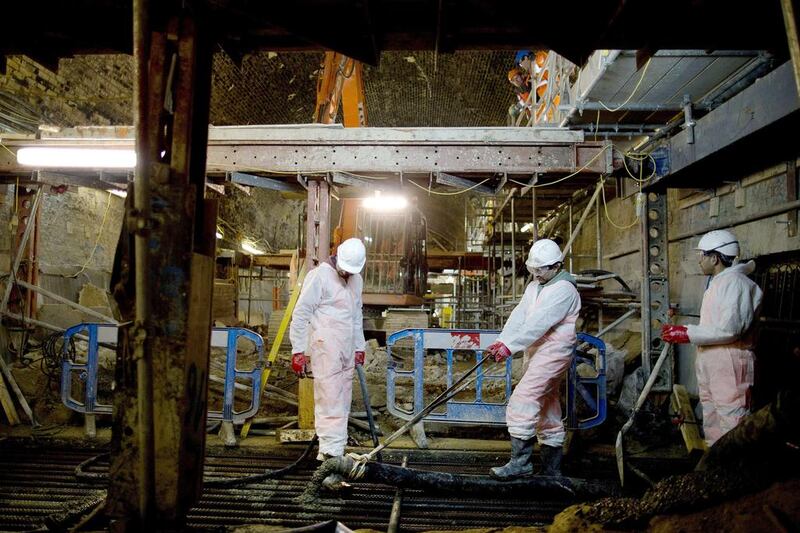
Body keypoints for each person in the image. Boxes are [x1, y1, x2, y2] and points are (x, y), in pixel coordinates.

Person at [485, 239, 581, 479]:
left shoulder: (564, 290)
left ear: (556, 266)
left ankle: (521, 463)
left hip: (554, 353)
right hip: (536, 351)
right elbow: (520, 316)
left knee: (523, 399)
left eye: (541, 269)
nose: (536, 274)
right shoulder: (535, 287)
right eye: (533, 269)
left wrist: (511, 347)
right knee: (547, 405)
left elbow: (538, 324)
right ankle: (551, 469)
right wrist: (503, 340)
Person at [661, 229, 763, 447]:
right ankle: (715, 470)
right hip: (713, 358)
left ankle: (735, 474)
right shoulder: (719, 282)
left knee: (732, 418)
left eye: (703, 255)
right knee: (712, 415)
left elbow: (731, 329)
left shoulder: (736, 283)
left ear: (715, 258)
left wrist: (687, 332)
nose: (699, 260)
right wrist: (689, 332)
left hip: (729, 360)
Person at [289, 238, 367, 470]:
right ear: (337, 257)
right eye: (344, 269)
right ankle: (330, 455)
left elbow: (356, 316)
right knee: (329, 399)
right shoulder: (320, 276)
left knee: (342, 400)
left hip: (346, 346)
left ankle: (335, 449)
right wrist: (298, 350)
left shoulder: (356, 280)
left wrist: (360, 346)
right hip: (326, 347)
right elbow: (301, 314)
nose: (346, 273)